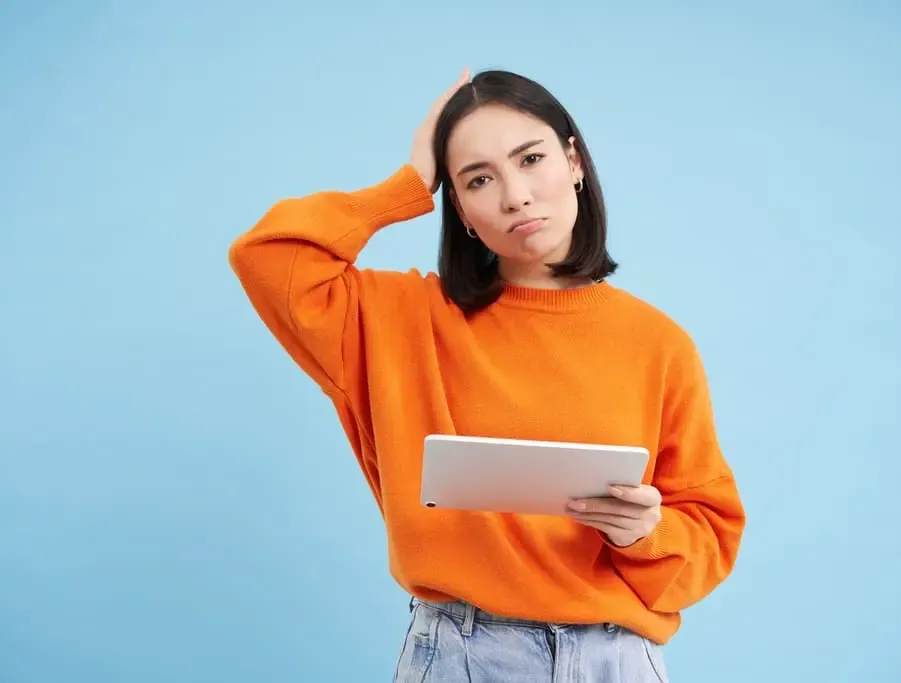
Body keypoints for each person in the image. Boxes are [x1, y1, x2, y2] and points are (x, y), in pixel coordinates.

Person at [228, 67, 746, 683]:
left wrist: (646, 534)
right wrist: (408, 185)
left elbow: (709, 537)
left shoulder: (659, 344)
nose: (516, 195)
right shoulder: (397, 321)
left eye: (531, 160)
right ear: (463, 212)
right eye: (478, 179)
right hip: (461, 655)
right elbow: (266, 257)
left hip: (615, 659)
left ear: (574, 161)